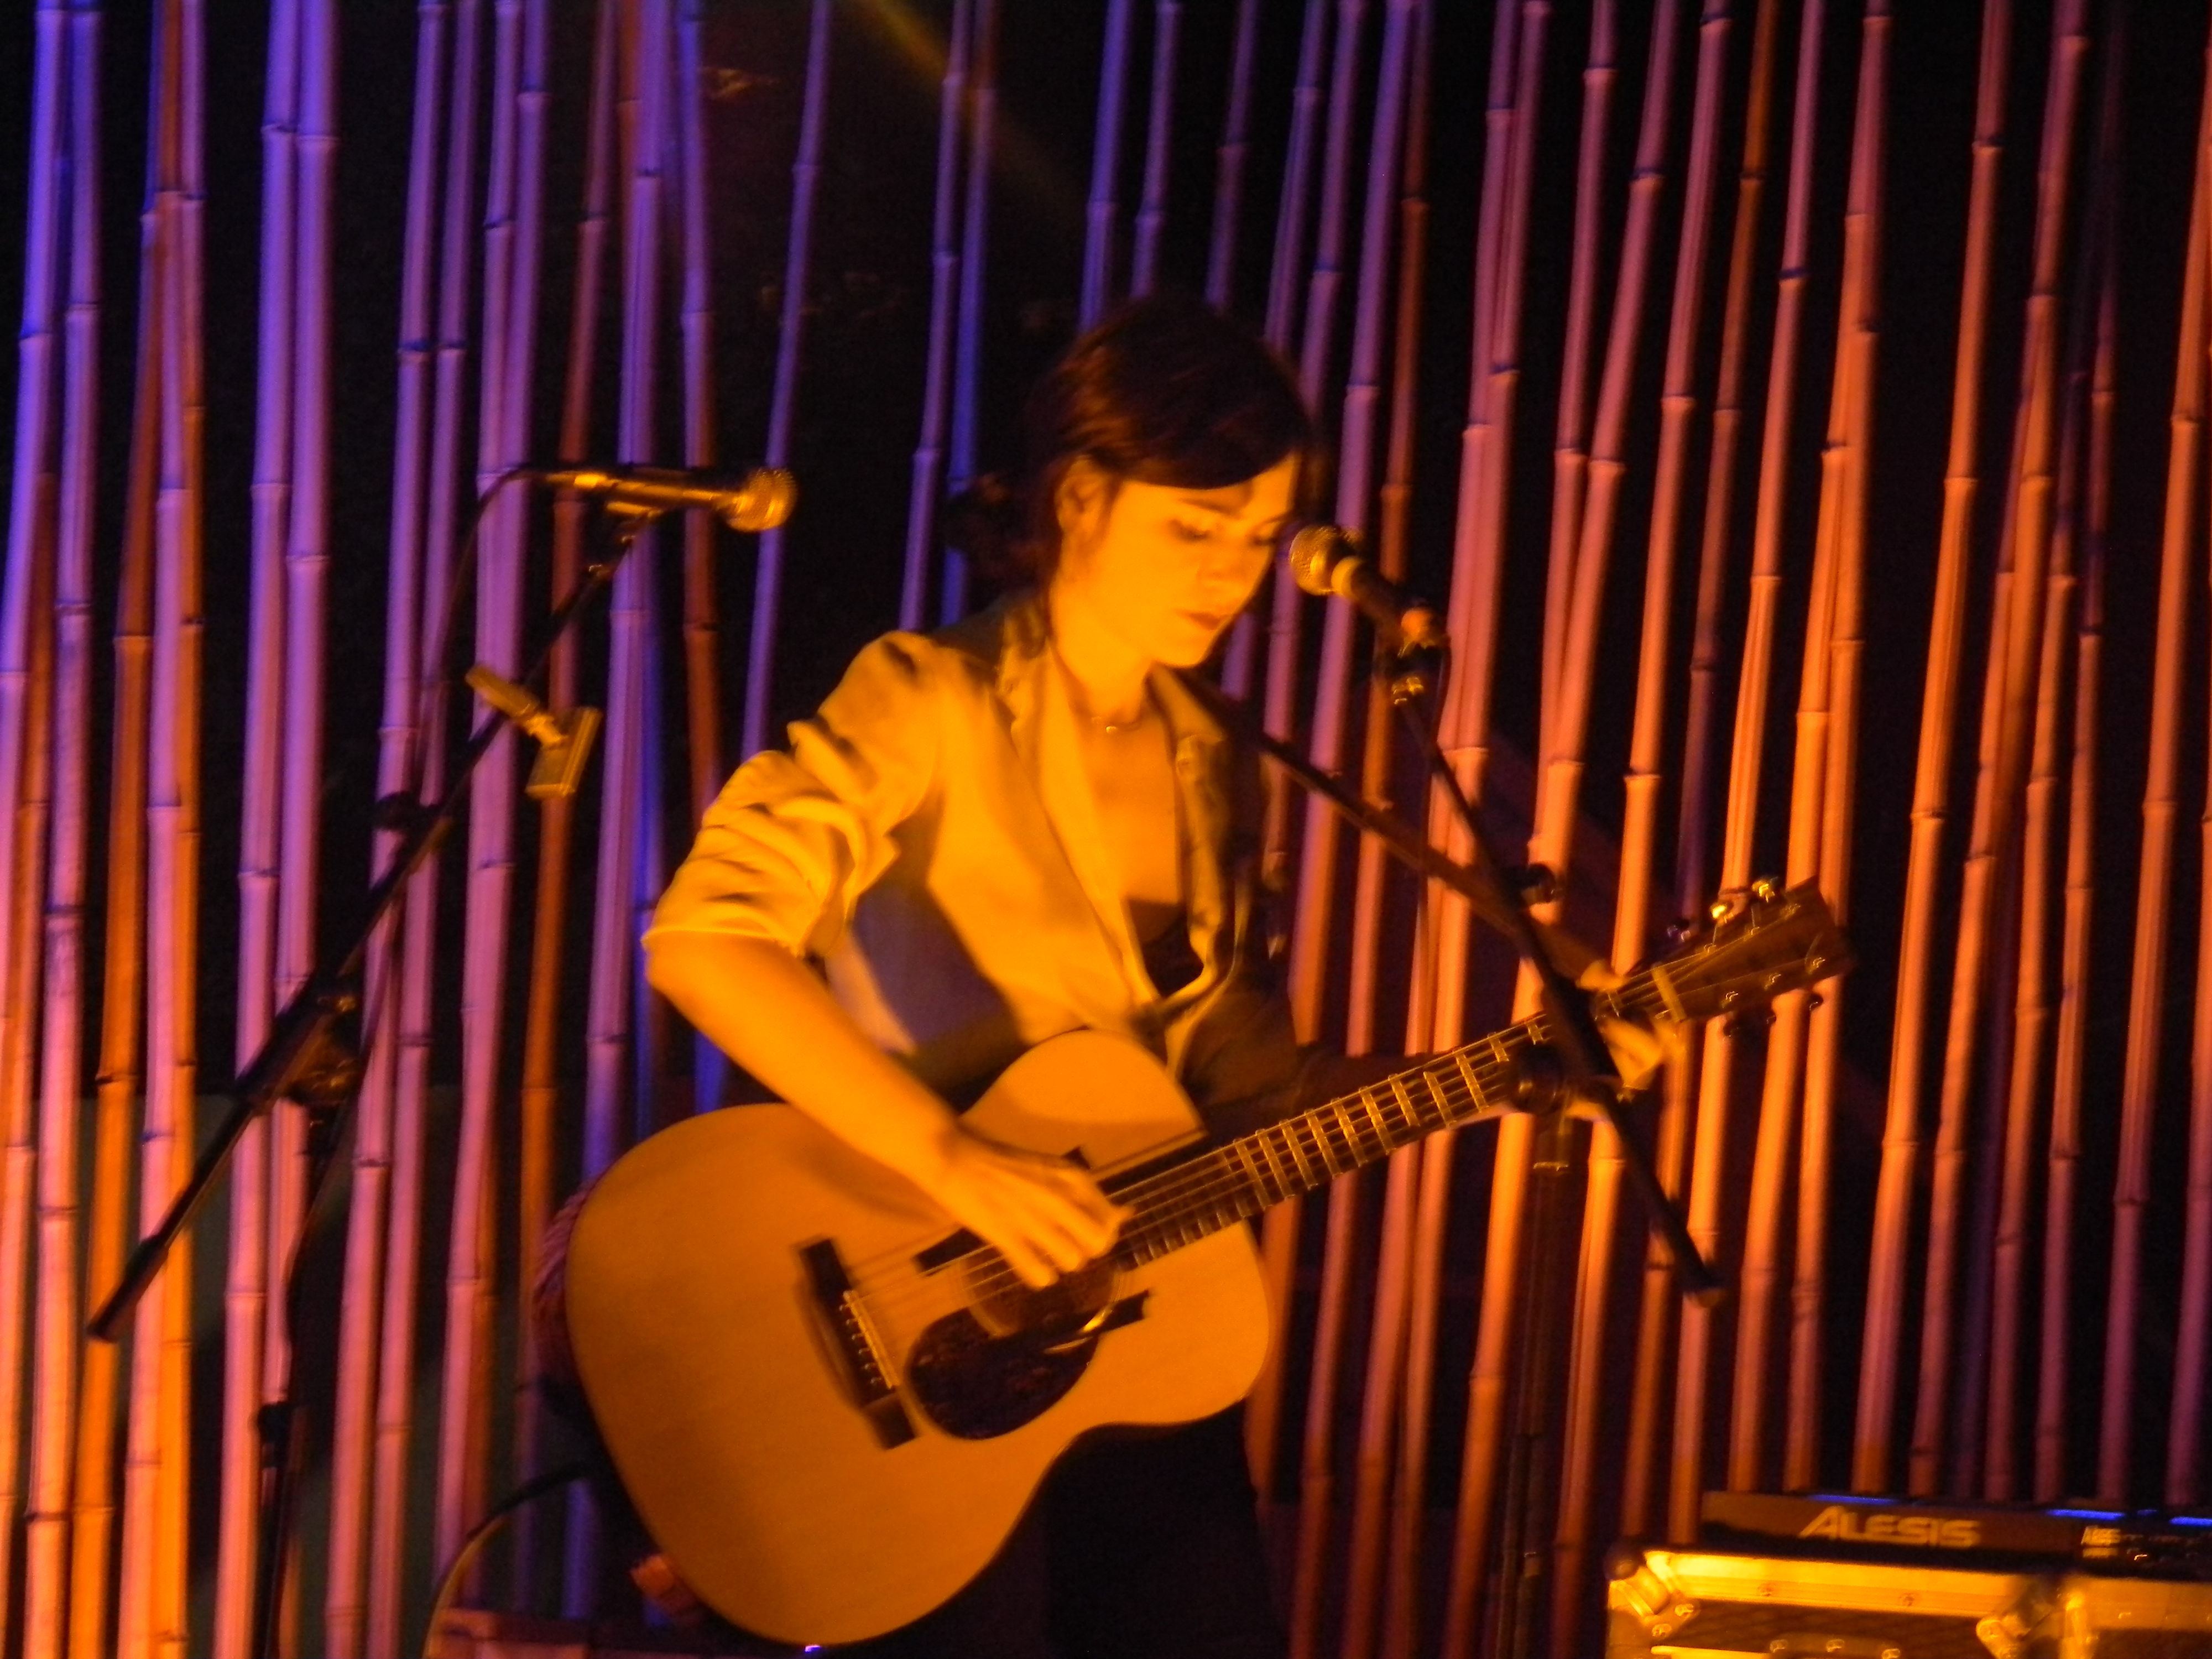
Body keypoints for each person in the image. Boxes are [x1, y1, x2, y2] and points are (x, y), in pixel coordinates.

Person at [640, 293, 1316, 1657]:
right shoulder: (930, 699)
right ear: (1078, 498)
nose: (1231, 575)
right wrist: (953, 1161)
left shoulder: (1217, 755)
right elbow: (703, 939)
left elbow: (1249, 1091)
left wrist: (1529, 1060)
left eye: (1258, 538)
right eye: (1195, 529)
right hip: (917, 1337)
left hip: (1132, 1337)